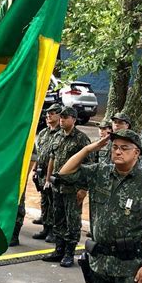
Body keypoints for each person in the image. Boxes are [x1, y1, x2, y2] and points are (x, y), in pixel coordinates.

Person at [58, 129, 142, 283]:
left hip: (131, 267)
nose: (118, 152)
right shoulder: (100, 172)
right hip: (101, 263)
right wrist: (88, 149)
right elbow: (65, 173)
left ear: (137, 152)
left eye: (124, 148)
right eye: (115, 147)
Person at [42, 106, 93, 267]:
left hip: (73, 188)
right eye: (61, 117)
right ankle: (59, 250)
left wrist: (83, 189)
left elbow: (89, 165)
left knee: (73, 221)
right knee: (58, 218)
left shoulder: (81, 139)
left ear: (74, 119)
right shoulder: (57, 136)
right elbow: (52, 158)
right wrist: (48, 179)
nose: (62, 120)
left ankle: (69, 253)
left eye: (66, 117)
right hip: (57, 186)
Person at [32, 103, 61, 242]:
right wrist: (35, 169)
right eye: (48, 113)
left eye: (53, 113)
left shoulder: (61, 133)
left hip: (54, 174)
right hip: (42, 172)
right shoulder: (43, 133)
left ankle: (53, 231)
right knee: (44, 201)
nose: (49, 115)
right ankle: (45, 228)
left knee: (53, 202)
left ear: (60, 115)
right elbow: (40, 153)